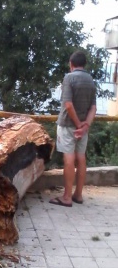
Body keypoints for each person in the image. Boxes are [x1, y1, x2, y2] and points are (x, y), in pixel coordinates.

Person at [49, 50, 96, 207]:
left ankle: (67, 197)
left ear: (71, 64)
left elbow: (68, 104)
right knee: (81, 158)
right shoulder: (90, 80)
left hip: (69, 125)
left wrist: (77, 125)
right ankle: (78, 195)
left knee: (68, 158)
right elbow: (93, 108)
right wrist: (85, 126)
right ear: (84, 64)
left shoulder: (69, 78)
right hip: (83, 127)